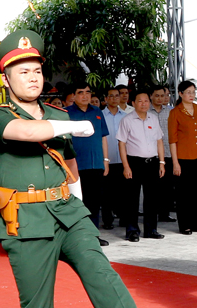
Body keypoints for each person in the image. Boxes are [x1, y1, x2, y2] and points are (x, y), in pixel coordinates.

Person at [0, 30, 173, 308]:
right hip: (27, 220)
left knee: (99, 267)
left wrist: (80, 207)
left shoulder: (58, 115)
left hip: (68, 211)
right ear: (7, 80)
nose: (33, 77)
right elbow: (27, 133)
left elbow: (69, 169)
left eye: (37, 70)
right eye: (23, 72)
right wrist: (73, 127)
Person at [117, 89, 166, 242]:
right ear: (133, 103)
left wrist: (162, 162)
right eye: (140, 101)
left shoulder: (153, 119)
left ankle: (151, 229)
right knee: (131, 198)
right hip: (134, 163)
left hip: (152, 162)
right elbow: (121, 143)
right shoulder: (127, 120)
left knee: (152, 198)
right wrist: (126, 166)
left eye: (146, 101)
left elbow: (159, 141)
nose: (144, 104)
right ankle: (132, 231)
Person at [66, 82, 110, 246]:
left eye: (88, 92)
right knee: (77, 203)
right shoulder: (66, 113)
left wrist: (105, 160)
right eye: (80, 92)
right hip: (75, 166)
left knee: (94, 202)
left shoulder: (97, 112)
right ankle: (77, 238)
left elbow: (103, 137)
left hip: (96, 164)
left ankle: (93, 236)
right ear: (74, 95)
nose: (85, 95)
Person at [168, 80, 197, 235]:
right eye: (188, 92)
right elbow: (172, 140)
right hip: (183, 158)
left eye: (193, 92)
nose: (191, 95)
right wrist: (175, 163)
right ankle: (185, 224)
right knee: (183, 193)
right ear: (180, 94)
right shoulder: (175, 112)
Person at [101, 88, 128, 229]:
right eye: (111, 96)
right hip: (107, 160)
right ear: (106, 99)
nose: (114, 98)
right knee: (107, 193)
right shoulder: (100, 115)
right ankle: (107, 220)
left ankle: (124, 219)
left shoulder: (125, 116)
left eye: (117, 96)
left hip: (123, 160)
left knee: (123, 192)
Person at [149, 84, 176, 222]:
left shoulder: (171, 111)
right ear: (151, 96)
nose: (160, 98)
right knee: (154, 186)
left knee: (167, 186)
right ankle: (153, 213)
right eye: (157, 96)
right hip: (152, 154)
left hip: (168, 153)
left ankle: (164, 213)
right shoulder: (146, 112)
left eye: (163, 95)